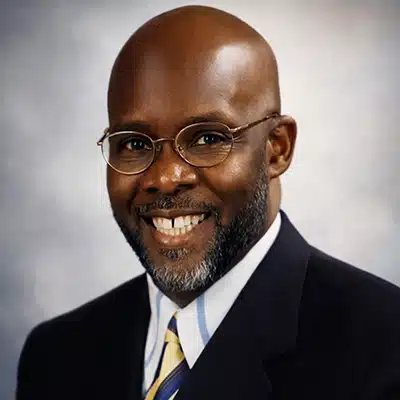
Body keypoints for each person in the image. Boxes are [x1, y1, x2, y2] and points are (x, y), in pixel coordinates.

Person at [16, 5, 400, 400]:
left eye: (207, 139)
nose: (165, 178)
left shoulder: (384, 349)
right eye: (133, 144)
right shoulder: (56, 356)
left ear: (276, 149)